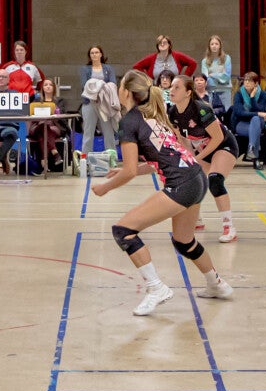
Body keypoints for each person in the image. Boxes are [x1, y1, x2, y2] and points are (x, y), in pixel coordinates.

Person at [92, 70, 233, 316]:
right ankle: (217, 284)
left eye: (120, 86)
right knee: (184, 241)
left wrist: (105, 187)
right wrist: (126, 170)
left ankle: (156, 288)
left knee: (124, 231)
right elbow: (162, 159)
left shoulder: (129, 122)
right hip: (197, 178)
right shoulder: (153, 115)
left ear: (127, 92)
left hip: (182, 184)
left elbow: (129, 171)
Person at [169, 73, 241, 243]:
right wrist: (189, 158)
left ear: (188, 92)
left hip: (223, 145)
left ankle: (229, 227)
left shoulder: (201, 109)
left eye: (177, 87)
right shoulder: (172, 113)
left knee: (215, 180)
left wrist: (197, 157)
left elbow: (217, 138)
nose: (172, 90)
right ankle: (197, 220)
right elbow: (183, 139)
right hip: (202, 148)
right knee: (189, 179)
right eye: (171, 86)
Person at [30, 76, 74, 174]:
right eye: (46, 85)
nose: (48, 86)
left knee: (45, 128)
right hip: (38, 125)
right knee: (43, 125)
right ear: (42, 88)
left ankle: (43, 160)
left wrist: (56, 112)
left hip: (55, 125)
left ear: (54, 88)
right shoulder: (36, 101)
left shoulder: (60, 101)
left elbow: (62, 116)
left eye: (50, 85)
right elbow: (31, 114)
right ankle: (54, 152)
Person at [78, 45, 117, 155]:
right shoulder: (84, 69)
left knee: (108, 132)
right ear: (89, 56)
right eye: (92, 53)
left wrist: (96, 87)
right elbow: (85, 85)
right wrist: (101, 86)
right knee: (88, 132)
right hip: (89, 102)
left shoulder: (108, 68)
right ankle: (85, 158)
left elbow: (112, 83)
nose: (94, 55)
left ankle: (111, 157)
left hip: (104, 103)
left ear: (101, 54)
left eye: (96, 52)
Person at [229, 71, 266, 166]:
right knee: (255, 128)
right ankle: (255, 158)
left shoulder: (262, 94)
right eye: (245, 80)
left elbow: (261, 109)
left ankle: (251, 148)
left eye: (250, 81)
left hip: (257, 123)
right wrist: (258, 113)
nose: (247, 82)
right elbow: (239, 113)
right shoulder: (239, 94)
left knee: (255, 120)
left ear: (256, 83)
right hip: (241, 123)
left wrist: (252, 98)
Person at [132, 34, 197, 80]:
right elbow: (136, 67)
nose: (162, 44)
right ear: (157, 46)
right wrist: (147, 79)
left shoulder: (177, 56)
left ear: (169, 45)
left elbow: (193, 63)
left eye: (165, 42)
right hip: (156, 89)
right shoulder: (151, 58)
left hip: (174, 88)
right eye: (160, 43)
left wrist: (184, 78)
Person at [200, 36, 234, 112]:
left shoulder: (227, 58)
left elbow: (226, 77)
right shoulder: (204, 61)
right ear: (209, 46)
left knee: (227, 113)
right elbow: (205, 78)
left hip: (225, 90)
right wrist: (219, 75)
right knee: (212, 113)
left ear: (220, 46)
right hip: (211, 91)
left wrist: (212, 75)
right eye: (212, 44)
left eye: (216, 44)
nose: (214, 46)